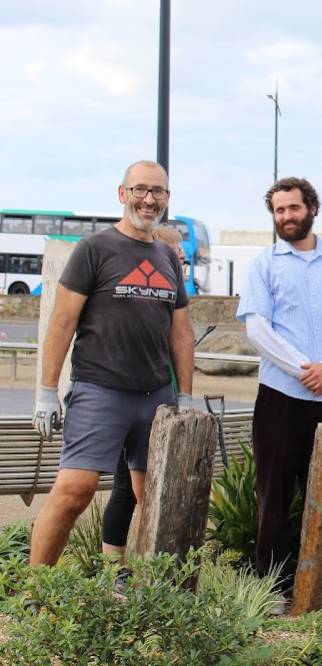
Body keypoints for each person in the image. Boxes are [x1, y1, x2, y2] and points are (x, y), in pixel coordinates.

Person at [30, 160, 194, 566]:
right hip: (99, 389)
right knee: (75, 490)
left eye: (157, 191)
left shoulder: (168, 258)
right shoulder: (95, 249)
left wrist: (185, 397)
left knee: (152, 497)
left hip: (156, 395)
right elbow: (62, 322)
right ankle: (36, 592)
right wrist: (47, 392)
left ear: (167, 199)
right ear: (123, 194)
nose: (148, 199)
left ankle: (143, 588)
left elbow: (181, 333)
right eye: (140, 189)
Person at [236, 177, 322, 594]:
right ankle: (272, 587)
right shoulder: (264, 264)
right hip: (280, 396)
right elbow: (257, 328)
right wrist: (303, 369)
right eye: (279, 210)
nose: (286, 216)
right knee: (273, 495)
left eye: (293, 208)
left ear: (312, 208)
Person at [100, 222, 188, 556]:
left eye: (180, 257)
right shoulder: (146, 296)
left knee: (128, 487)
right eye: (175, 255)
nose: (179, 262)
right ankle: (135, 568)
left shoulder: (170, 296)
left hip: (159, 398)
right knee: (141, 490)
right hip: (140, 399)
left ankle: (119, 567)